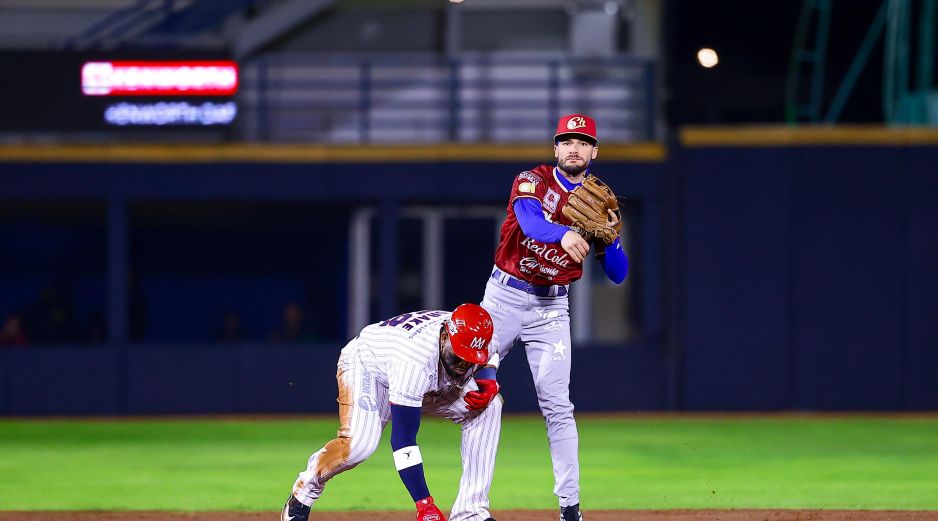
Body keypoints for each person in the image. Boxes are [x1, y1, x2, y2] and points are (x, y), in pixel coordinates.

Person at [479, 114, 628, 521]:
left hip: (551, 310)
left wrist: (611, 239)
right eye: (567, 140)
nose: (574, 147)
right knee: (478, 396)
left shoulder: (599, 204)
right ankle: (472, 506)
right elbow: (528, 222)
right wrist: (562, 233)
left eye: (583, 141)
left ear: (594, 152)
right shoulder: (533, 180)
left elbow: (618, 274)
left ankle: (570, 507)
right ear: (556, 148)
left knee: (558, 406)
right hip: (504, 299)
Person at [281, 303, 503, 521]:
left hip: (424, 376)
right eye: (460, 355)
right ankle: (304, 492)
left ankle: (471, 512)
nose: (465, 364)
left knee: (490, 407)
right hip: (369, 368)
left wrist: (489, 379)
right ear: (445, 336)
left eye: (472, 358)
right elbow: (403, 439)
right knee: (358, 446)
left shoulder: (483, 336)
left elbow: (491, 354)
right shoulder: (415, 359)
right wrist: (424, 504)